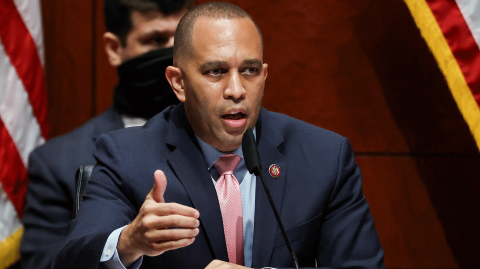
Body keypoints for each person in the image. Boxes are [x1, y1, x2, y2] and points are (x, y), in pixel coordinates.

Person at [52, 2, 385, 269]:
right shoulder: (127, 157)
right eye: (216, 72)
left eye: (250, 71)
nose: (237, 90)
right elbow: (71, 261)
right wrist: (129, 242)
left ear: (264, 75)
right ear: (178, 82)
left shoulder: (324, 157)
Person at [20, 1, 194, 268]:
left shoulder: (235, 145)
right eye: (156, 39)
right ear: (115, 49)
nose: (172, 55)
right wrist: (125, 243)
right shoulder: (57, 163)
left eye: (181, 41)